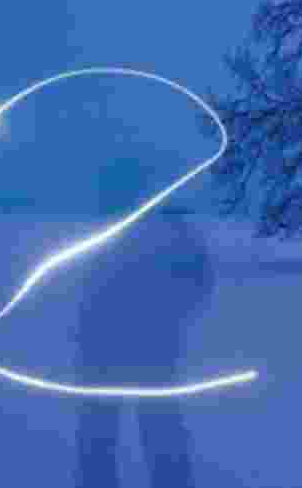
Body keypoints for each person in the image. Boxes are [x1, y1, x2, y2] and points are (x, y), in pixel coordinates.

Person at [74, 156, 216, 488]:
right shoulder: (118, 229)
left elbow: (199, 281)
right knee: (116, 430)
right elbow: (200, 282)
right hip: (117, 346)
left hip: (141, 346)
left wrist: (170, 315)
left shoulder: (165, 230)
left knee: (146, 428)